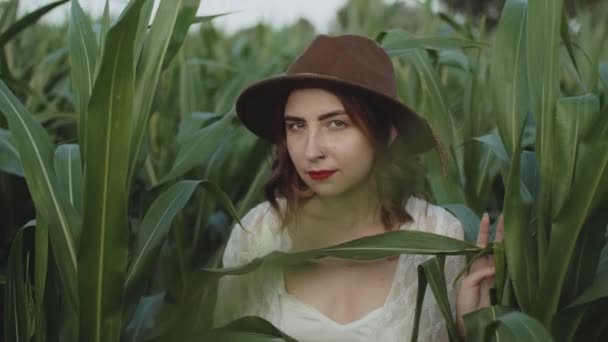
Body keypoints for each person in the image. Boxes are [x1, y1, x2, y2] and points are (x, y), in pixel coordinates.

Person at [212, 34, 502, 341]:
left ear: (386, 133)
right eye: (296, 125)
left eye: (336, 123)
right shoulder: (256, 234)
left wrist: (471, 331)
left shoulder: (436, 238)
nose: (311, 151)